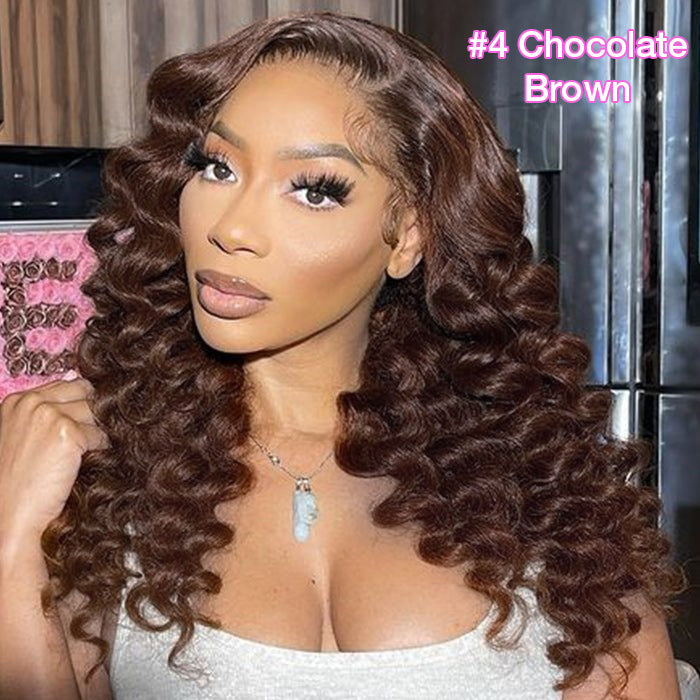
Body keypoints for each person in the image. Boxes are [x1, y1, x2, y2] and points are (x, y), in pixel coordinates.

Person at [0, 10, 687, 700]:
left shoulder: (539, 479)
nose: (231, 228)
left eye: (313, 190)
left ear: (408, 234)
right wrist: (11, 541)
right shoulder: (105, 472)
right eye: (217, 166)